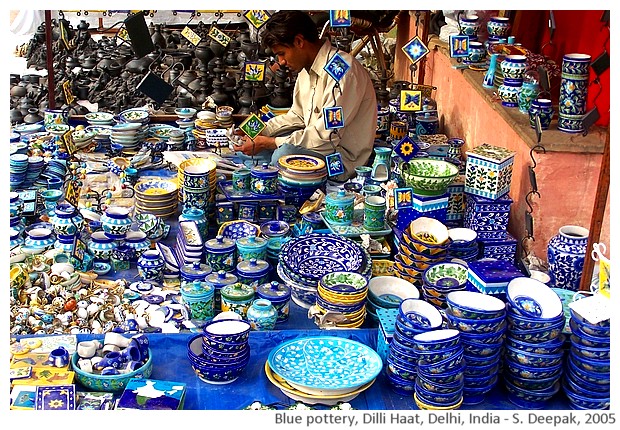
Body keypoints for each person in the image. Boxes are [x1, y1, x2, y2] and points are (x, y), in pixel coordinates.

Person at [235, 10, 377, 181]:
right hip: (316, 145)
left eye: (282, 53)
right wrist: (254, 131)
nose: (281, 62)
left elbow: (326, 137)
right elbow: (296, 116)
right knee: (248, 151)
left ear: (299, 41)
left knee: (282, 155)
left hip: (339, 159)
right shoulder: (305, 70)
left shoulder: (341, 71)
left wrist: (269, 142)